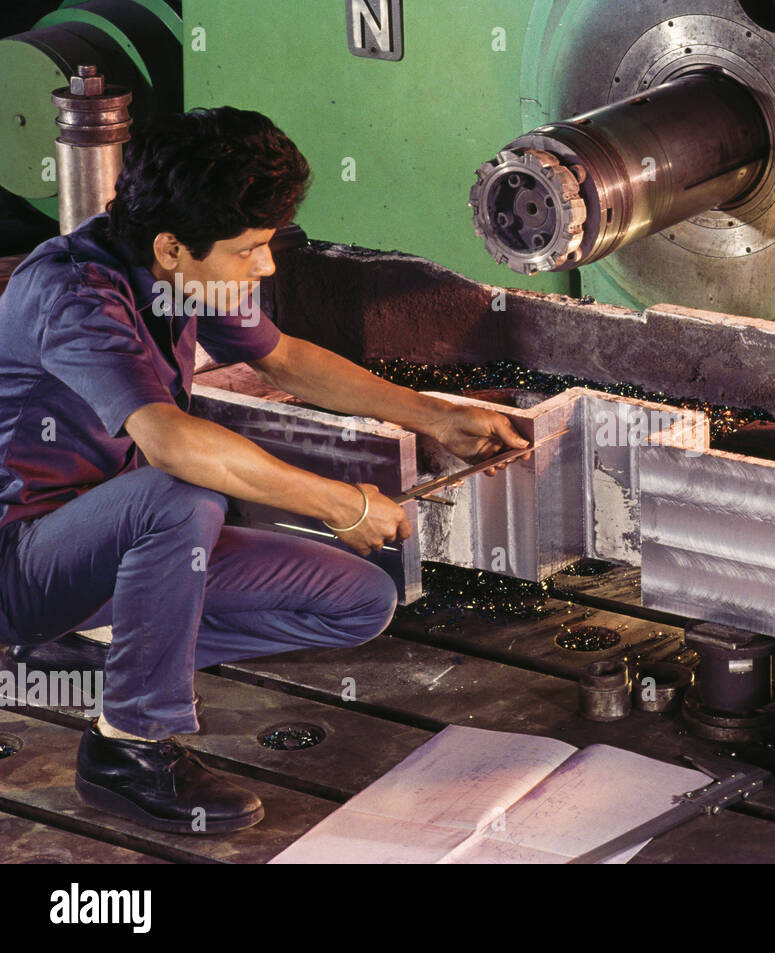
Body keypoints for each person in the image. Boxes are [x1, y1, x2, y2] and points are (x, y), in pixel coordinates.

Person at [0, 106, 528, 834]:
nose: (267, 265)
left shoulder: (181, 273)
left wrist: (432, 415)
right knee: (183, 494)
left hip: (108, 558)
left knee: (359, 601)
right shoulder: (72, 295)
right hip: (20, 563)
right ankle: (130, 747)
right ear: (173, 245)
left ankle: (91, 655)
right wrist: (342, 505)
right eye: (250, 249)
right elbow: (174, 448)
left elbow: (283, 359)